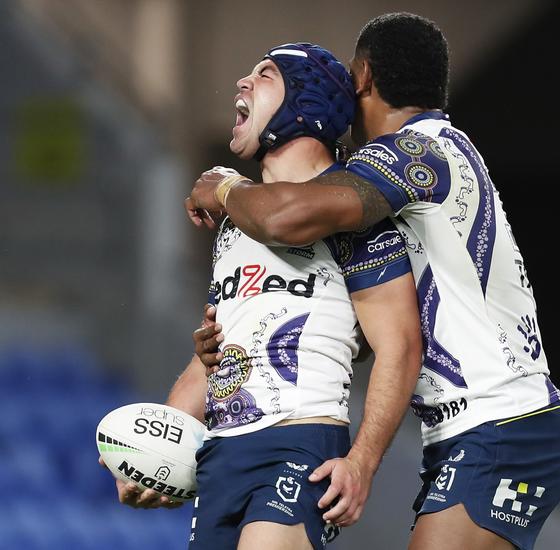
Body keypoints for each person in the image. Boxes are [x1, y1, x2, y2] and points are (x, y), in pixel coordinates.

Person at [185, 13, 560, 550]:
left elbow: (286, 218)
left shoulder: (415, 152)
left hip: (501, 424)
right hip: (496, 425)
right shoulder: (445, 152)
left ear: (364, 76)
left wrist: (225, 187)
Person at [103, 41, 423, 550]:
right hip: (222, 453)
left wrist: (362, 462)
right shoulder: (232, 230)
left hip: (301, 439)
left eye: (266, 75)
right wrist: (155, 455)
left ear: (307, 101)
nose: (241, 83)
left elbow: (401, 344)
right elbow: (211, 358)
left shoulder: (350, 209)